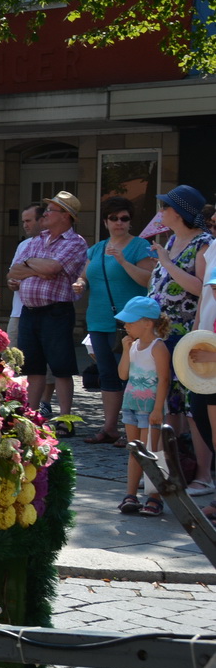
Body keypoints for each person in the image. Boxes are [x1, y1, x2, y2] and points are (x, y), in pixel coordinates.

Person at [150, 184, 214, 493]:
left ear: (179, 212)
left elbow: (203, 288)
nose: (160, 212)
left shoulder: (204, 244)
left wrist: (167, 263)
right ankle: (173, 470)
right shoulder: (172, 240)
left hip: (188, 336)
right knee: (170, 404)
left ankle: (204, 474)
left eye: (165, 207)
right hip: (161, 335)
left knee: (193, 407)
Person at [78, 197, 157, 444]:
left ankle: (131, 430)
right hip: (99, 319)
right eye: (114, 218)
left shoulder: (140, 246)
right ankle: (110, 427)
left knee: (133, 375)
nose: (119, 223)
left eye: (124, 218)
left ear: (130, 221)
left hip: (131, 322)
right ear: (106, 221)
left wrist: (122, 260)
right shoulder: (97, 248)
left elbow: (148, 280)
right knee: (107, 374)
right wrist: (80, 283)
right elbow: (86, 275)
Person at [8, 191, 87, 433]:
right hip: (29, 312)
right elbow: (12, 272)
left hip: (56, 312)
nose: (46, 213)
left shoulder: (75, 242)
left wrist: (30, 265)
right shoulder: (35, 241)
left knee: (61, 367)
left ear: (66, 216)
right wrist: (38, 268)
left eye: (51, 210)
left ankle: (65, 419)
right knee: (33, 367)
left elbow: (54, 267)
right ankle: (30, 419)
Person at [115, 297, 172, 516]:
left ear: (147, 323)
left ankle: (154, 496)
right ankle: (130, 495)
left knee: (151, 451)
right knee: (134, 450)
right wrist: (125, 350)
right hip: (131, 404)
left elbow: (164, 380)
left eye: (130, 321)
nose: (126, 326)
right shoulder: (133, 345)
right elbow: (123, 374)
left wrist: (158, 409)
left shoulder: (158, 347)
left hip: (150, 407)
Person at [5, 203, 43, 342]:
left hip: (43, 312)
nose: (25, 225)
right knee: (10, 356)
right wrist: (12, 282)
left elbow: (51, 272)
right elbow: (11, 273)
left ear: (41, 220)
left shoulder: (54, 243)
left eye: (28, 221)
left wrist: (25, 271)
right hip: (18, 311)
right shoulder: (23, 245)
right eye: (23, 222)